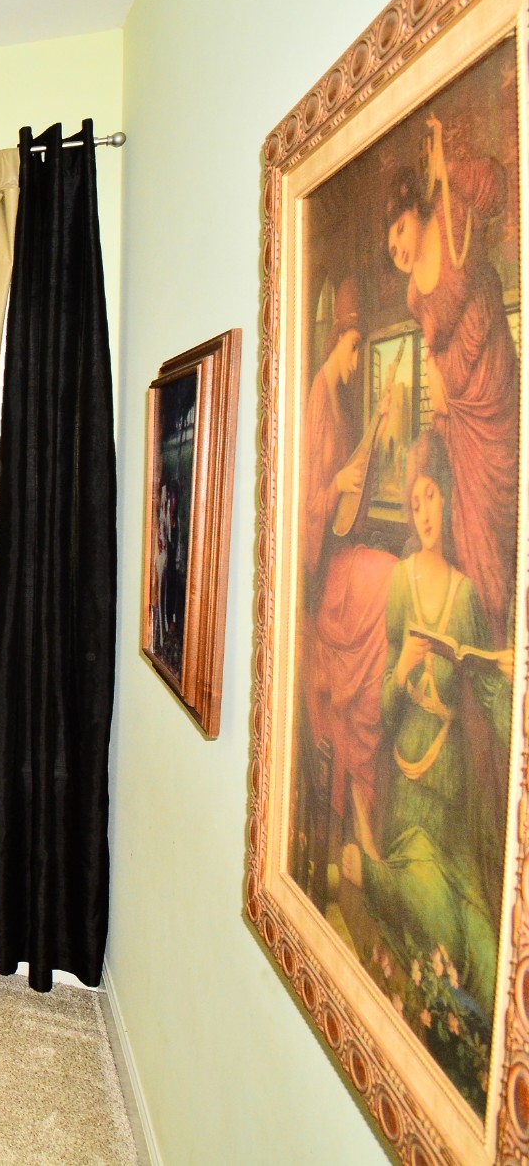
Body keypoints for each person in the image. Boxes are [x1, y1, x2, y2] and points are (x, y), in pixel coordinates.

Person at [347, 433, 511, 1056]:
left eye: (432, 497)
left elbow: (491, 698)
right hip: (410, 799)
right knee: (437, 923)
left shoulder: (466, 595)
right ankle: (374, 864)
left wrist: (508, 699)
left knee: (483, 947)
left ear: (447, 500)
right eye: (415, 502)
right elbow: (383, 704)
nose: (424, 511)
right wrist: (405, 666)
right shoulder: (401, 587)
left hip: (452, 798)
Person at [391, 115, 518, 636]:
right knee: (464, 533)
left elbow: (498, 191)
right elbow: (431, 346)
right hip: (456, 414)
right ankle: (476, 647)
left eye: (398, 230)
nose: (397, 249)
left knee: (495, 517)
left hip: (491, 388)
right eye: (391, 247)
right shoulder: (414, 295)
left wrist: (451, 169)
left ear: (415, 213)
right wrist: (436, 382)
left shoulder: (450, 213)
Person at [298, 281, 397, 867]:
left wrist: (379, 425)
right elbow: (314, 501)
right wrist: (336, 486)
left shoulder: (337, 399)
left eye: (363, 349)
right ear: (337, 343)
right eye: (356, 347)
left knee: (386, 572)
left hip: (337, 550)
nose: (359, 360)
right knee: (383, 578)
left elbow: (350, 471)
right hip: (325, 568)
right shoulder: (317, 398)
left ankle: (362, 786)